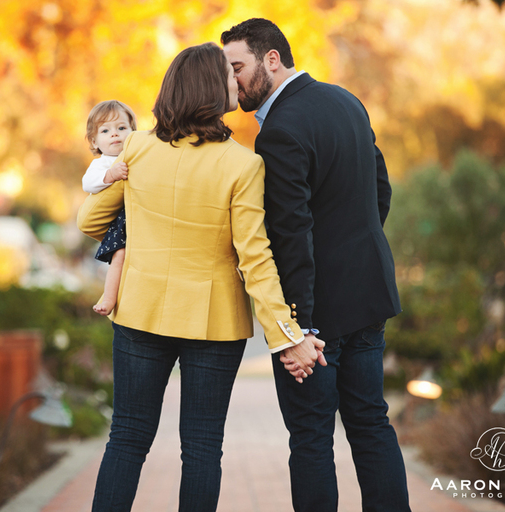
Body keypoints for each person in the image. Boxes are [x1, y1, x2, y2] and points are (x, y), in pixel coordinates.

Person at [77, 42, 324, 512]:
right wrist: (287, 336)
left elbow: (89, 224)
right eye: (228, 77)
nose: (236, 82)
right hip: (213, 324)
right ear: (213, 90)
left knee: (127, 438)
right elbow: (256, 259)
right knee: (203, 448)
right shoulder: (243, 165)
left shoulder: (137, 150)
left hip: (141, 312)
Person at [222, 18, 412, 512]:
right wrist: (356, 251)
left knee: (311, 438)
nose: (232, 80)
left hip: (317, 319)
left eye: (237, 66)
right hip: (369, 295)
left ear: (270, 59)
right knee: (371, 423)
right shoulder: (346, 101)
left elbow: (291, 235)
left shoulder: (280, 131)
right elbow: (380, 192)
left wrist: (296, 329)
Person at [82, 100, 137, 315]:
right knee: (120, 255)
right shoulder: (102, 163)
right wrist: (111, 175)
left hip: (139, 214)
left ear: (133, 132)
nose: (115, 134)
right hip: (120, 221)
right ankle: (109, 299)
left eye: (122, 128)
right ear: (95, 142)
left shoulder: (137, 155)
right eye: (106, 131)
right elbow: (88, 183)